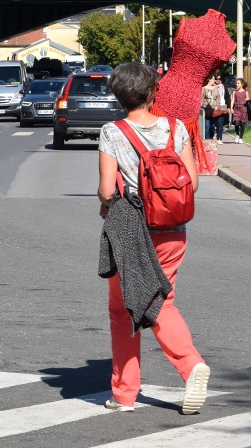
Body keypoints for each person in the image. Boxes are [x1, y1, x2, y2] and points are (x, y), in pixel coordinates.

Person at [97, 61, 210, 415]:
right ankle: (190, 365)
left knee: (122, 310)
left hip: (131, 230)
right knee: (164, 300)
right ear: (151, 93)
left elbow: (106, 191)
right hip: (173, 229)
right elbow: (192, 182)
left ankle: (125, 393)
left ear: (119, 96)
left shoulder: (112, 132)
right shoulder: (176, 129)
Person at [230, 78, 250, 143]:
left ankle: (241, 138)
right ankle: (237, 134)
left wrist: (247, 99)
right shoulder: (235, 92)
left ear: (242, 84)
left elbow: (248, 98)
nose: (237, 84)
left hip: (243, 109)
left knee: (242, 124)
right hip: (236, 108)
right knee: (236, 123)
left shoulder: (245, 92)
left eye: (238, 83)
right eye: (236, 83)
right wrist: (231, 108)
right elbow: (232, 100)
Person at [200, 76, 219, 140]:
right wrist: (201, 106)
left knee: (213, 126)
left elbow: (218, 98)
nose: (214, 80)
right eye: (213, 79)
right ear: (209, 80)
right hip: (206, 108)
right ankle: (207, 139)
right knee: (207, 125)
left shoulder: (216, 88)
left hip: (214, 108)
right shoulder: (204, 88)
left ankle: (211, 137)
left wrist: (217, 106)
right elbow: (202, 98)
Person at [213, 73, 227, 144]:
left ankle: (219, 138)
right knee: (213, 124)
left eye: (219, 79)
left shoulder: (223, 86)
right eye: (216, 79)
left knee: (220, 124)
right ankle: (212, 137)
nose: (218, 80)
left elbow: (227, 96)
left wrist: (229, 107)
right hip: (213, 106)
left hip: (222, 106)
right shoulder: (211, 86)